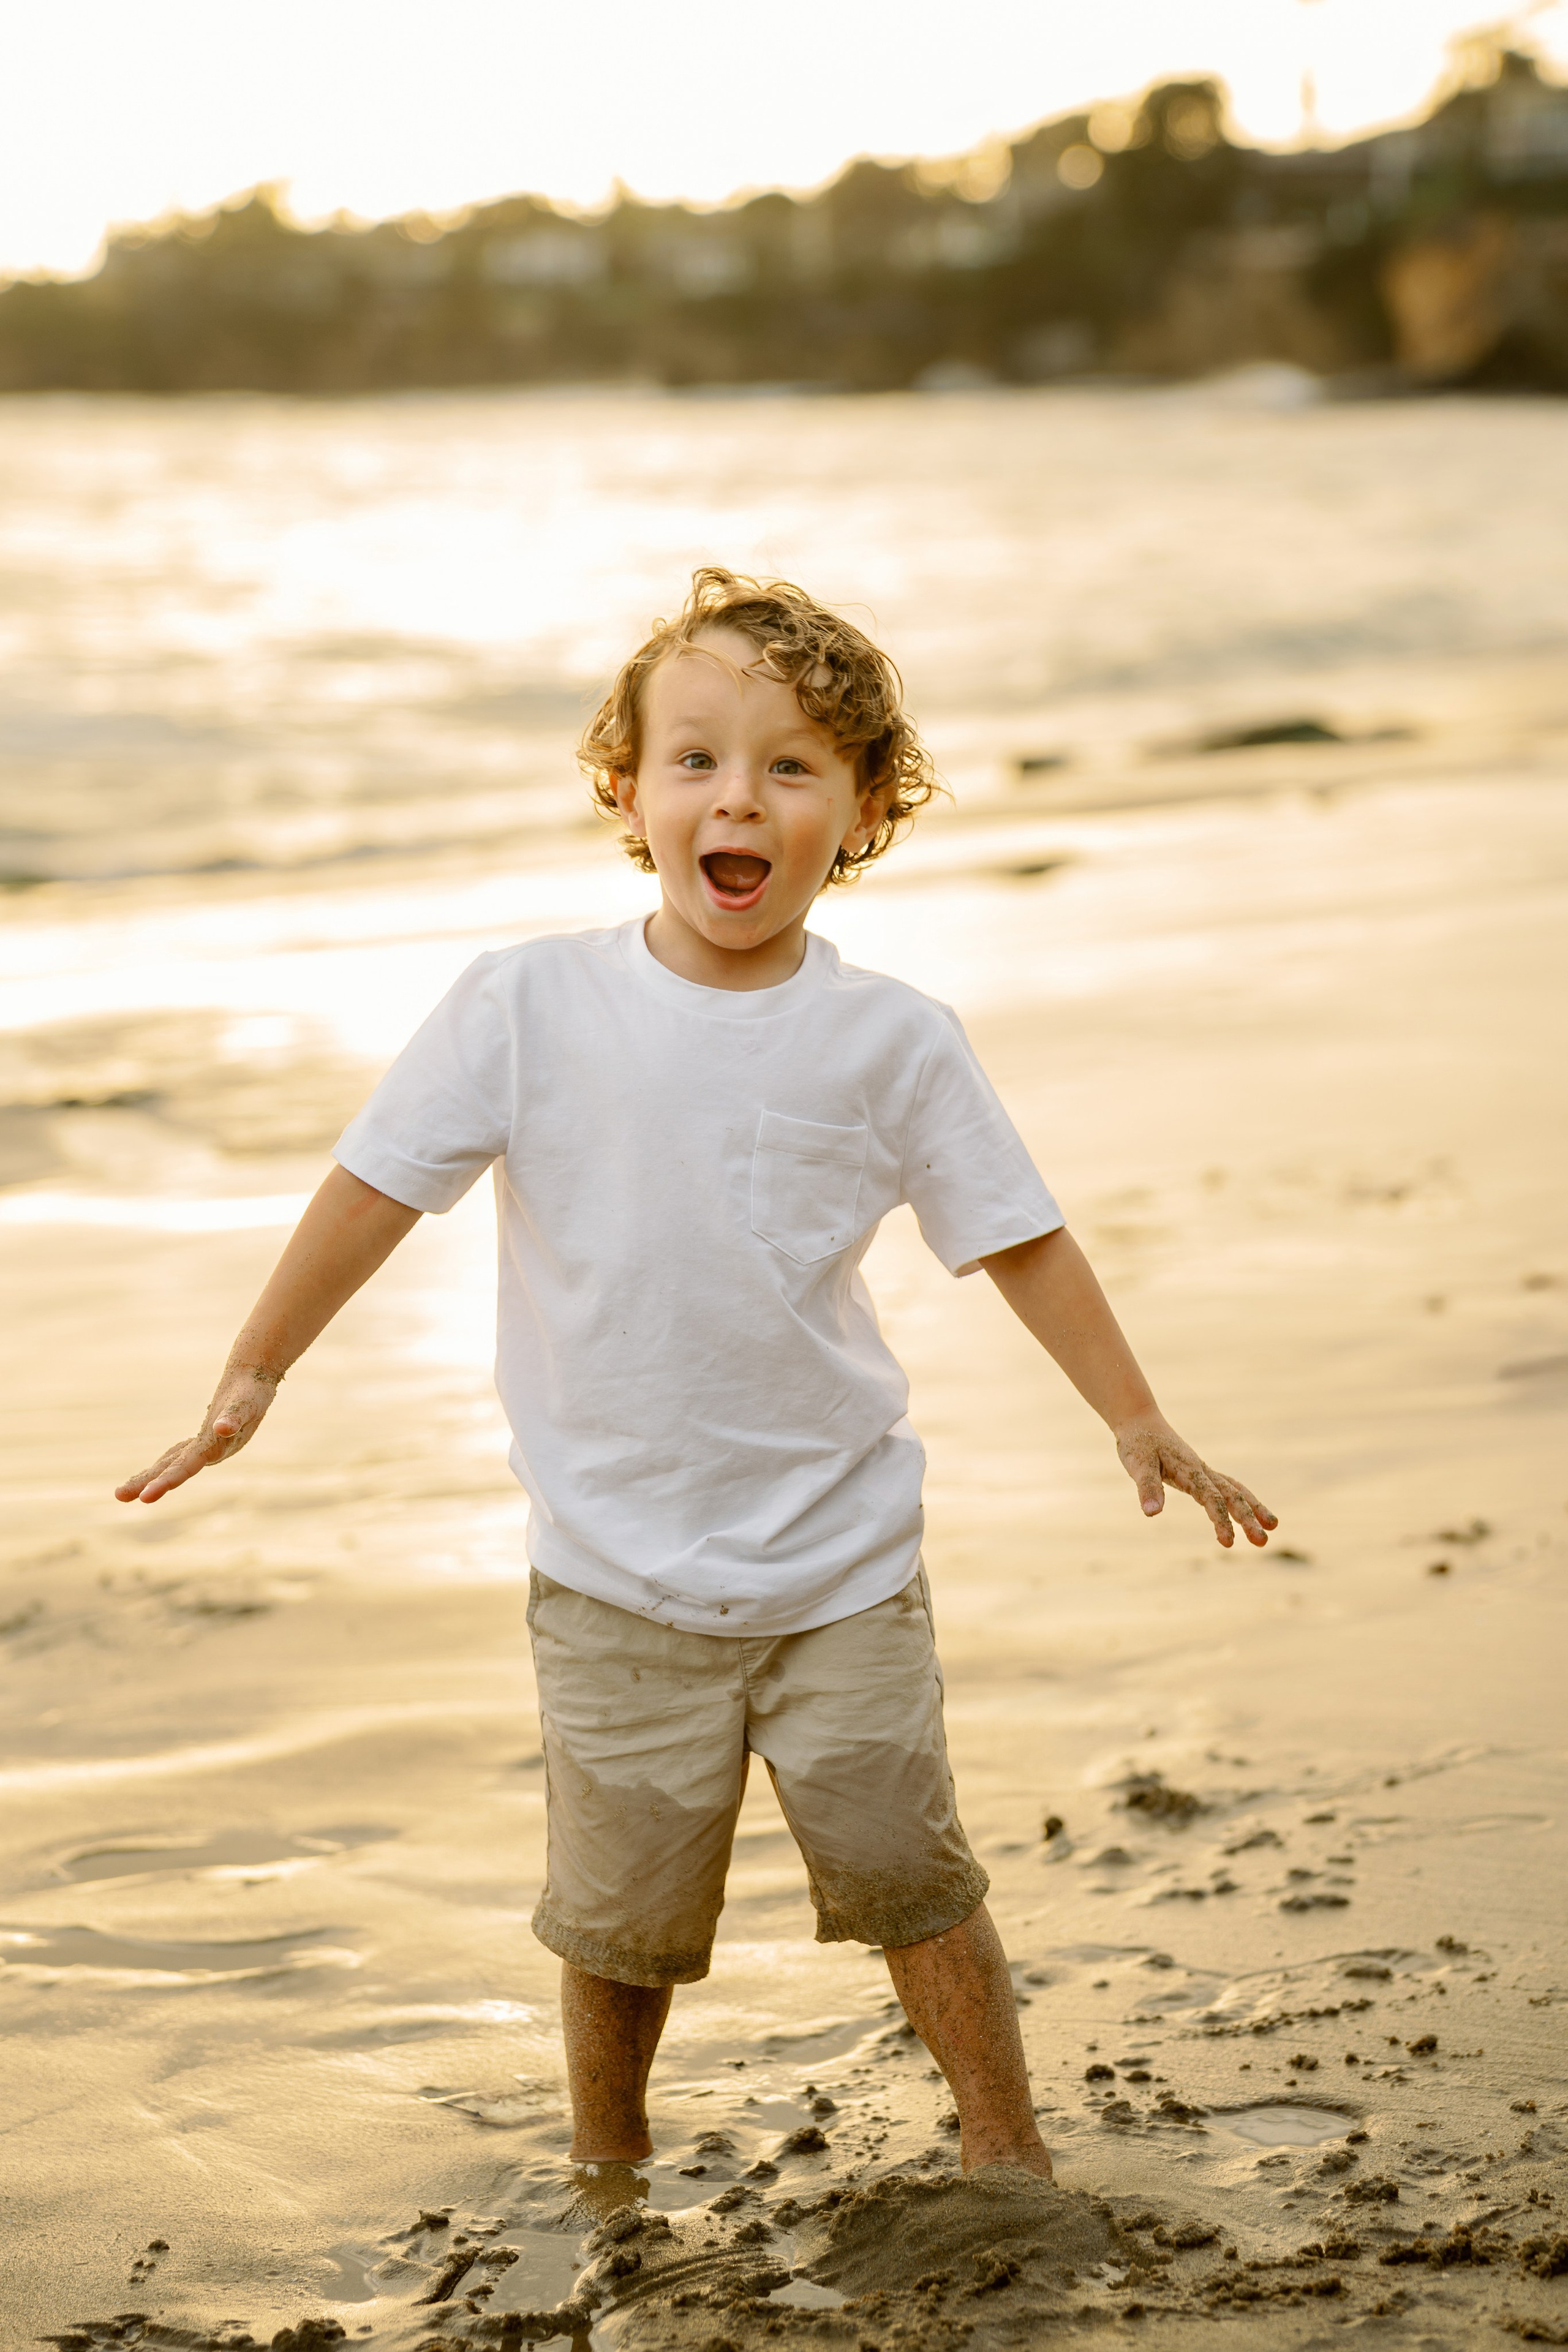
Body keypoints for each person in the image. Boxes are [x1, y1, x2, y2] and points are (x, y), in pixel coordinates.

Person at [116, 567, 1276, 2182]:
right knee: (620, 1919)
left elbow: (1020, 1237)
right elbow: (376, 1187)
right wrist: (255, 1371)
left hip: (841, 1562)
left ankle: (1006, 2147)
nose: (739, 797)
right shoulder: (526, 1004)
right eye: (697, 760)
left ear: (863, 812)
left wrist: (1134, 1416)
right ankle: (609, 2163)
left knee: (915, 1880)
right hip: (613, 1572)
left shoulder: (895, 1040)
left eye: (792, 767)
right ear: (627, 793)